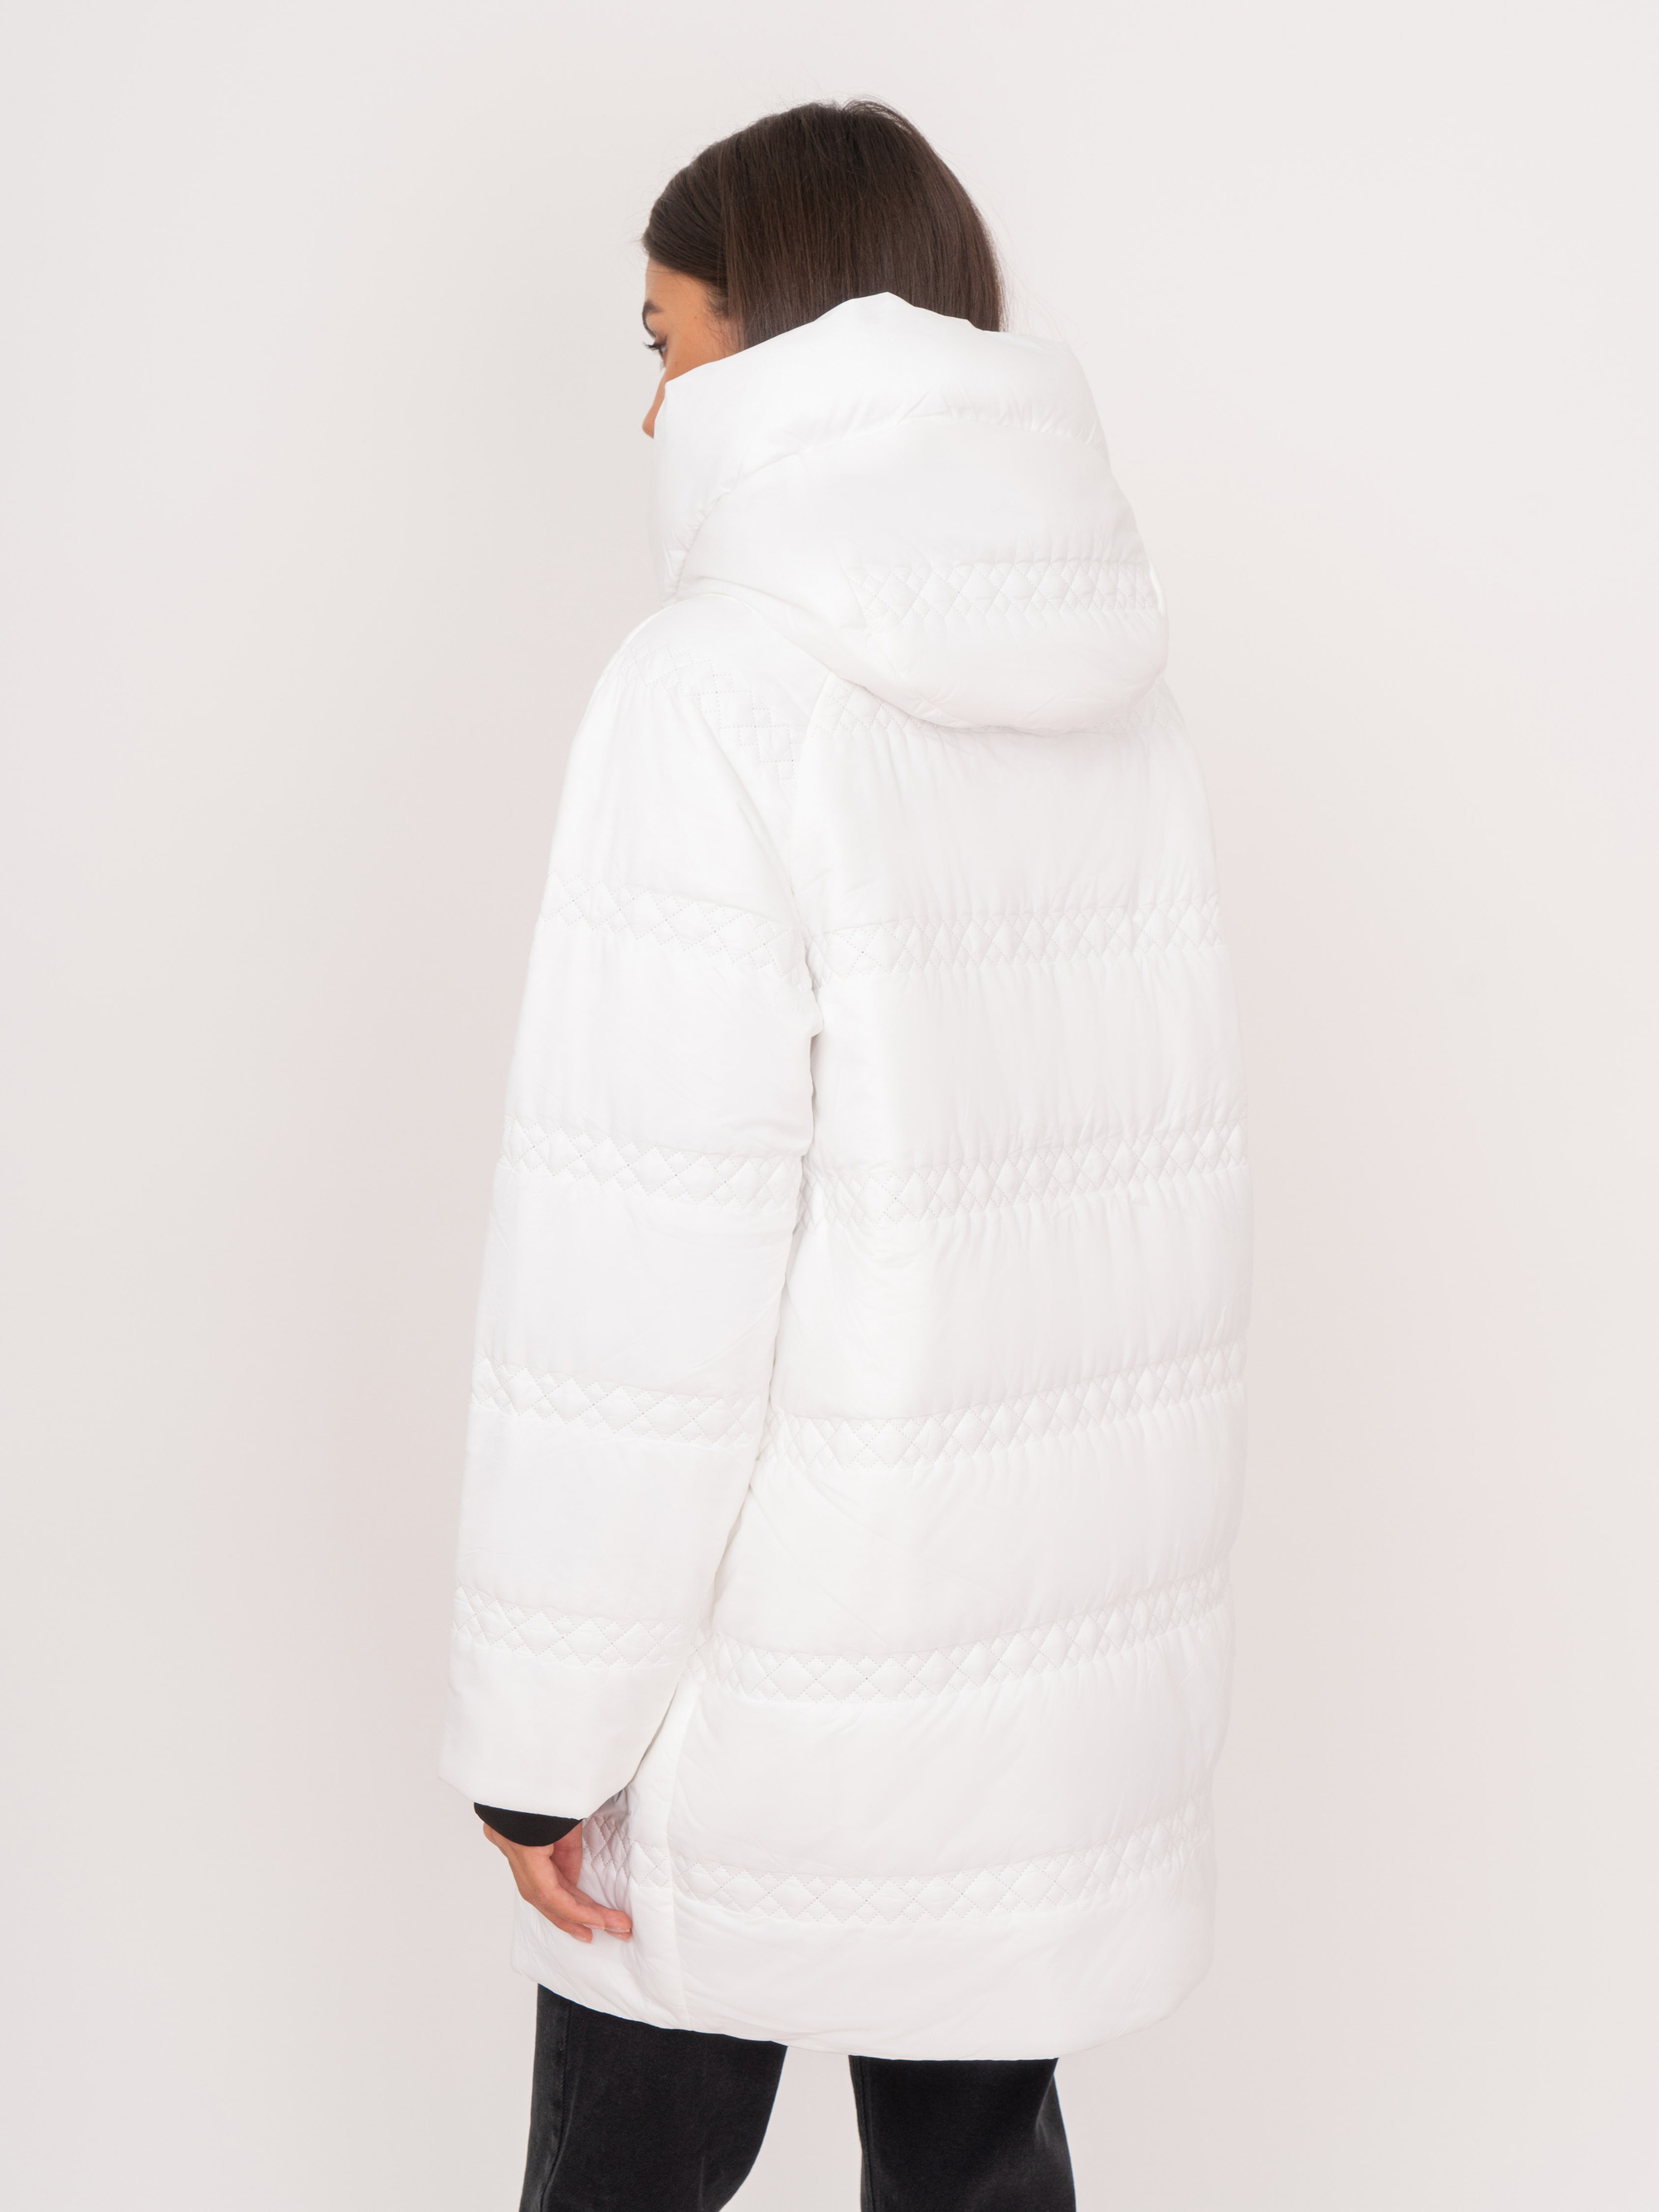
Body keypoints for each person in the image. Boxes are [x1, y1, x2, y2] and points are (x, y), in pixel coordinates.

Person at [441, 98, 1251, 2212]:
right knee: (977, 2167)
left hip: (767, 1682)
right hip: (1040, 1691)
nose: (652, 412)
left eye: (667, 344)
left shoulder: (712, 689)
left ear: (780, 341)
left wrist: (542, 1737)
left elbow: (640, 1266)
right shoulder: (1115, 696)